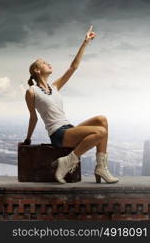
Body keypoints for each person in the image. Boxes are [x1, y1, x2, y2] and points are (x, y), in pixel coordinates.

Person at [23, 25, 119, 184]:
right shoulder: (32, 92)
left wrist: (85, 42)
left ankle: (101, 167)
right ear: (36, 70)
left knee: (102, 120)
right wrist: (27, 139)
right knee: (101, 132)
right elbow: (33, 118)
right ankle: (67, 161)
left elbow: (73, 67)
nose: (49, 64)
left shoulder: (54, 87)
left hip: (69, 128)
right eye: (44, 63)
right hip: (58, 134)